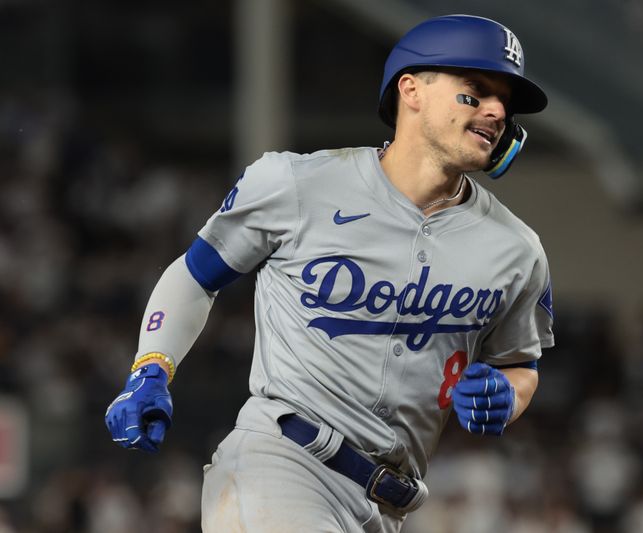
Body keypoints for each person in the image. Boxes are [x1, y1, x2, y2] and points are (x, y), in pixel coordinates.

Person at [105, 14, 554, 533]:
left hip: (390, 506)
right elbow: (195, 275)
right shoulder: (297, 184)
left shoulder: (516, 249)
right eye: (475, 92)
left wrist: (508, 395)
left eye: (506, 102)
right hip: (283, 464)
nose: (497, 110)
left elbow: (520, 363)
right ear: (411, 90)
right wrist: (151, 368)